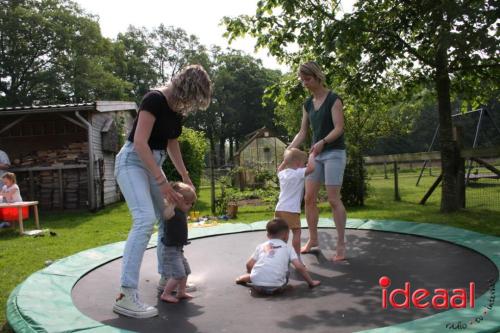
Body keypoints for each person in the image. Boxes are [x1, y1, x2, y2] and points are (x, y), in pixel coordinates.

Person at [113, 64, 212, 318]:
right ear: (184, 88)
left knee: (168, 216)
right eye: (191, 97)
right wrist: (161, 181)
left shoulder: (176, 109)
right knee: (144, 219)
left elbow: (171, 142)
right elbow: (140, 142)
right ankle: (126, 294)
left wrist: (184, 175)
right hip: (132, 162)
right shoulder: (154, 99)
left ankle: (165, 278)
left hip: (152, 163)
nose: (189, 104)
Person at [286, 61, 347, 261]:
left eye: (307, 79)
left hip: (334, 152)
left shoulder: (334, 99)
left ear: (317, 77)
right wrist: (289, 150)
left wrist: (323, 141)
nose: (304, 83)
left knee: (332, 199)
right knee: (309, 198)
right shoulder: (307, 104)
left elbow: (339, 128)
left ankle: (341, 244)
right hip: (316, 154)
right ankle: (313, 240)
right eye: (301, 79)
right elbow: (303, 132)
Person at [235, 218, 320, 295]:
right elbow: (299, 267)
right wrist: (311, 282)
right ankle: (281, 288)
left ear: (268, 235)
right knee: (286, 272)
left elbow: (249, 265)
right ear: (286, 235)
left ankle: (244, 278)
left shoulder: (261, 246)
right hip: (276, 286)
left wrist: (252, 274)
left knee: (256, 273)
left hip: (257, 285)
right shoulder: (288, 248)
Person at [275, 148, 315, 259]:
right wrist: (312, 155)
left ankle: (279, 256)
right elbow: (312, 168)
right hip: (291, 210)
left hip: (279, 209)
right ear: (298, 164)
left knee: (282, 234)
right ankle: (297, 257)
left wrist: (285, 161)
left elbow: (279, 168)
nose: (305, 165)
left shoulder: (282, 174)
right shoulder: (298, 173)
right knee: (296, 233)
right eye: (304, 163)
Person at [160, 182, 196, 303]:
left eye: (191, 203)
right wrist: (173, 202)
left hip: (178, 250)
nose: (190, 206)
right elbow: (166, 214)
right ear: (177, 202)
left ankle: (181, 292)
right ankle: (166, 294)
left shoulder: (181, 211)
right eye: (187, 203)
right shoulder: (171, 212)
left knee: (186, 271)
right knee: (178, 274)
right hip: (171, 251)